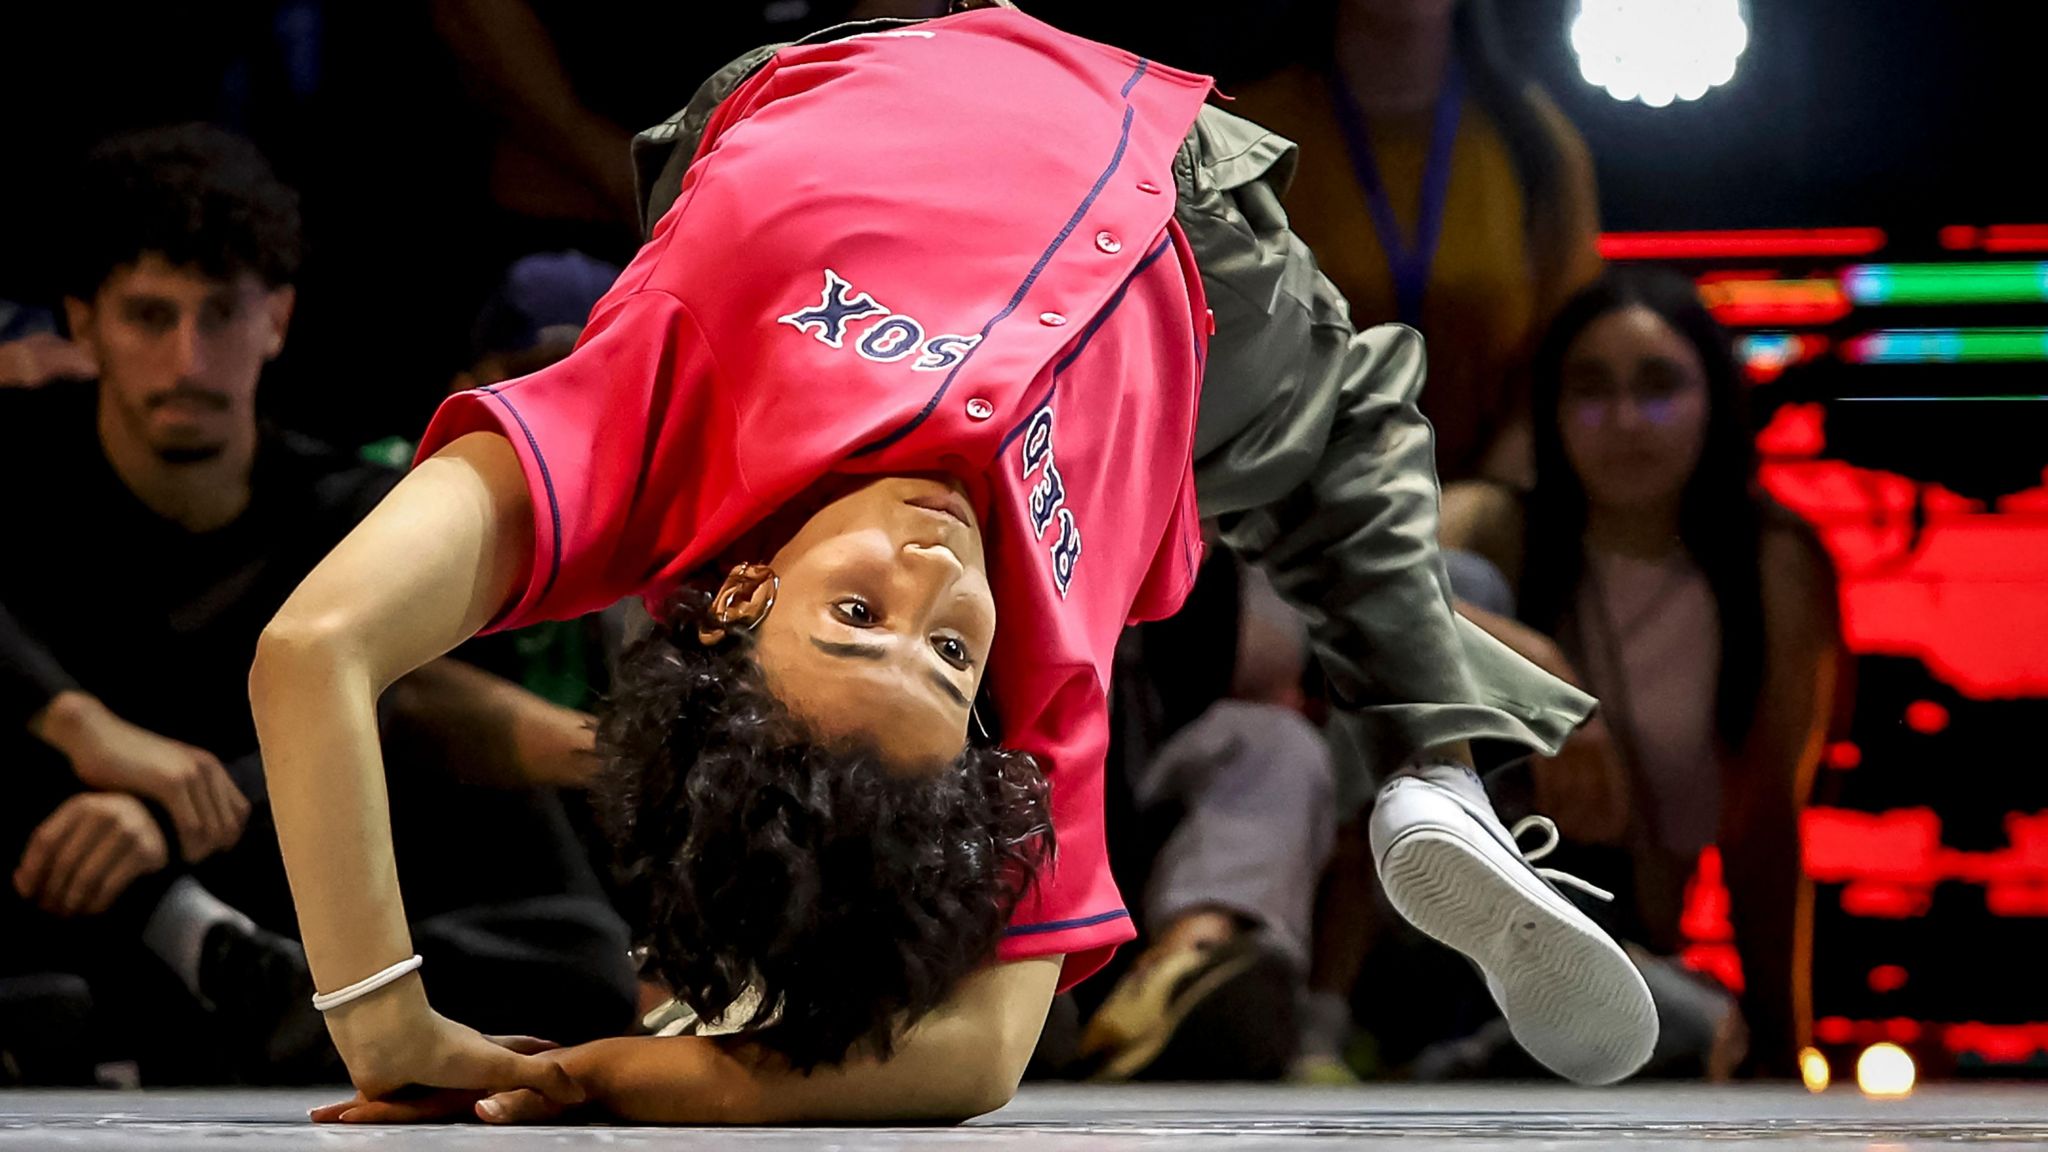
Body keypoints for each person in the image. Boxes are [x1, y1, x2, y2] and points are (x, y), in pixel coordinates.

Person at [250, 3, 1656, 1125]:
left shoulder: (643, 431)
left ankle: (1432, 769)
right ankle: (1437, 772)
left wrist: (380, 1014)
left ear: (733, 599)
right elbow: (983, 1062)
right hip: (1183, 240)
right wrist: (627, 1077)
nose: (936, 585)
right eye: (947, 660)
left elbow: (314, 651)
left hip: (858, 82)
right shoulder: (1043, 654)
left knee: (1359, 520)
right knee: (1355, 469)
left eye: (858, 616)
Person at [0, 123, 637, 1083]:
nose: (187, 361)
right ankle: (171, 972)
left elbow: (399, 713)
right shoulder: (24, 467)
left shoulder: (345, 504)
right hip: (50, 853)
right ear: (82, 323)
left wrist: (185, 815)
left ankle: (231, 993)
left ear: (277, 321)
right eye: (148, 317)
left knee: (581, 958)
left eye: (220, 315)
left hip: (265, 875)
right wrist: (76, 721)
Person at [1438, 267, 1842, 1076]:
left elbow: (1766, 829)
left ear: (1715, 403)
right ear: (1552, 411)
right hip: (1447, 927)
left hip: (1610, 948)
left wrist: (1782, 1048)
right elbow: (1347, 592)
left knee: (1681, 1025)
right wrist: (1544, 679)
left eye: (1659, 387)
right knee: (1451, 597)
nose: (1625, 421)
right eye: (1590, 390)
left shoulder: (1772, 568)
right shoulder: (1498, 526)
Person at [1229, 0, 1604, 485]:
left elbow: (1573, 356)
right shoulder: (1241, 139)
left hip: (1488, 510)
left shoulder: (1537, 143)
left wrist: (1492, 499)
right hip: (1284, 514)